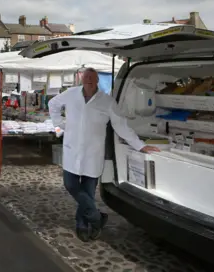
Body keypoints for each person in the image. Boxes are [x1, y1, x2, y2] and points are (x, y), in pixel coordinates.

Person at [48, 67, 160, 242]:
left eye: (92, 77)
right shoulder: (71, 93)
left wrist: (140, 146)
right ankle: (97, 217)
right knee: (70, 185)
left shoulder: (107, 102)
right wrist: (60, 124)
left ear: (97, 80)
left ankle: (82, 224)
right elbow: (52, 104)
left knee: (88, 192)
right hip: (72, 151)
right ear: (82, 78)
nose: (89, 80)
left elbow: (121, 126)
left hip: (93, 155)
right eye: (86, 77)